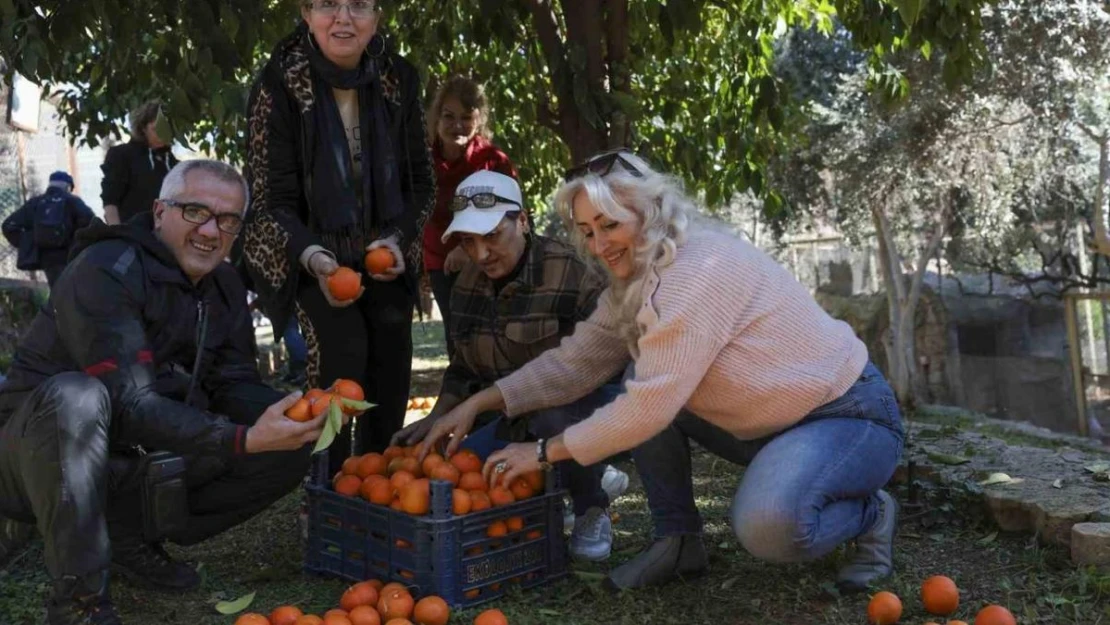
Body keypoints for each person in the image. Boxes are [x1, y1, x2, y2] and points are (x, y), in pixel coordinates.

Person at [417, 150, 905, 593]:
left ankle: (872, 513)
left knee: (767, 527)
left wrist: (543, 452)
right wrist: (479, 403)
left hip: (843, 413)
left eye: (609, 225)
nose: (598, 245)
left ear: (648, 210)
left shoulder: (697, 269)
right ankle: (678, 542)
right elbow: (575, 361)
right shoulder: (635, 281)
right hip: (766, 426)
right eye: (587, 231)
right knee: (639, 376)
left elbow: (648, 408)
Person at [0, 160, 334, 624]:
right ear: (159, 212)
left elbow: (233, 383)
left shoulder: (225, 285)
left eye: (229, 220)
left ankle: (127, 536)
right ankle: (81, 605)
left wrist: (302, 414)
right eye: (195, 211)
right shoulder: (105, 269)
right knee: (77, 398)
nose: (211, 231)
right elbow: (129, 402)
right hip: (31, 455)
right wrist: (240, 439)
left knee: (292, 446)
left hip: (131, 452)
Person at [240, 0, 434, 477]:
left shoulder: (398, 78)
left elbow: (422, 185)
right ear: (306, 13)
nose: (343, 18)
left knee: (391, 364)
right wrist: (319, 261)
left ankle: (378, 484)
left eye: (359, 6)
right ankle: (327, 488)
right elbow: (270, 198)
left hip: (381, 251)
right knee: (341, 364)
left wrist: (395, 239)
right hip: (304, 251)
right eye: (328, 4)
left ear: (377, 17)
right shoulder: (279, 83)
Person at [395, 171, 627, 561]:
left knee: (553, 416)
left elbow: (595, 366)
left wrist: (481, 404)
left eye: (491, 236)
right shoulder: (467, 283)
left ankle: (591, 504)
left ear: (522, 220)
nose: (481, 254)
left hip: (586, 404)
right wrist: (437, 417)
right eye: (468, 241)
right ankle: (574, 473)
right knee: (467, 470)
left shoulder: (573, 271)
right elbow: (464, 369)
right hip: (513, 418)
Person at [423, 76, 517, 357]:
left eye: (466, 117)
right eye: (448, 116)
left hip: (488, 261)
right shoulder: (421, 161)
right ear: (436, 118)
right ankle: (463, 397)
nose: (457, 125)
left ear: (479, 120)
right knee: (457, 337)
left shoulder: (492, 160)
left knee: (491, 334)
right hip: (440, 265)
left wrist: (467, 248)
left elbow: (512, 213)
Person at [2, 171, 95, 287]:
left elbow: (8, 226)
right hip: (70, 256)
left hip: (47, 258)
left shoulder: (35, 203)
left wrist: (30, 243)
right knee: (74, 291)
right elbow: (92, 223)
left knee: (57, 291)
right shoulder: (72, 201)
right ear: (67, 186)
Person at [100, 101, 178, 225]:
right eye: (155, 129)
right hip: (131, 235)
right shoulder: (122, 155)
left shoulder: (174, 164)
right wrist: (117, 233)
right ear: (143, 128)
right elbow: (110, 200)